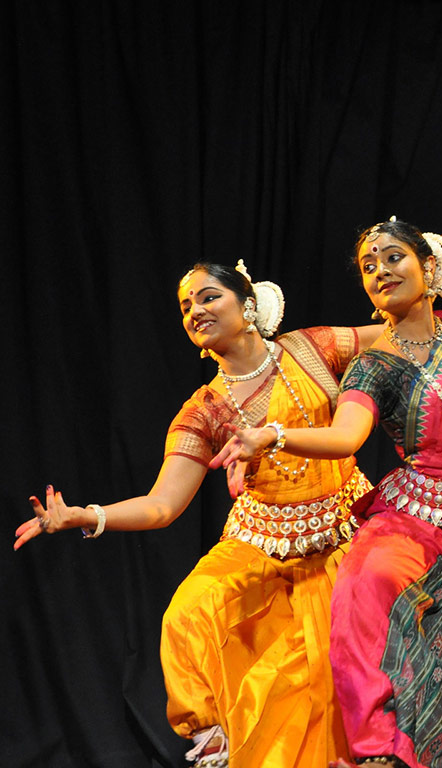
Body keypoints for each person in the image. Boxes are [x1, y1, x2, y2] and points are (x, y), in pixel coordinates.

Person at [212, 191, 442, 768]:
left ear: (429, 268)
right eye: (368, 267)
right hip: (417, 519)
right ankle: (377, 751)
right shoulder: (373, 364)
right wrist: (272, 435)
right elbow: (344, 438)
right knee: (366, 587)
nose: (380, 272)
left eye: (391, 258)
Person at [16, 260, 382, 767]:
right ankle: (212, 740)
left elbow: (399, 334)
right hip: (260, 546)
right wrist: (89, 516)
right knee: (187, 614)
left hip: (344, 539)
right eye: (186, 305)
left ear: (248, 304)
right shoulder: (204, 410)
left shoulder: (313, 347)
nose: (195, 311)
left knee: (321, 687)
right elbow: (162, 504)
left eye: (209, 297)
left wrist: (432, 279)